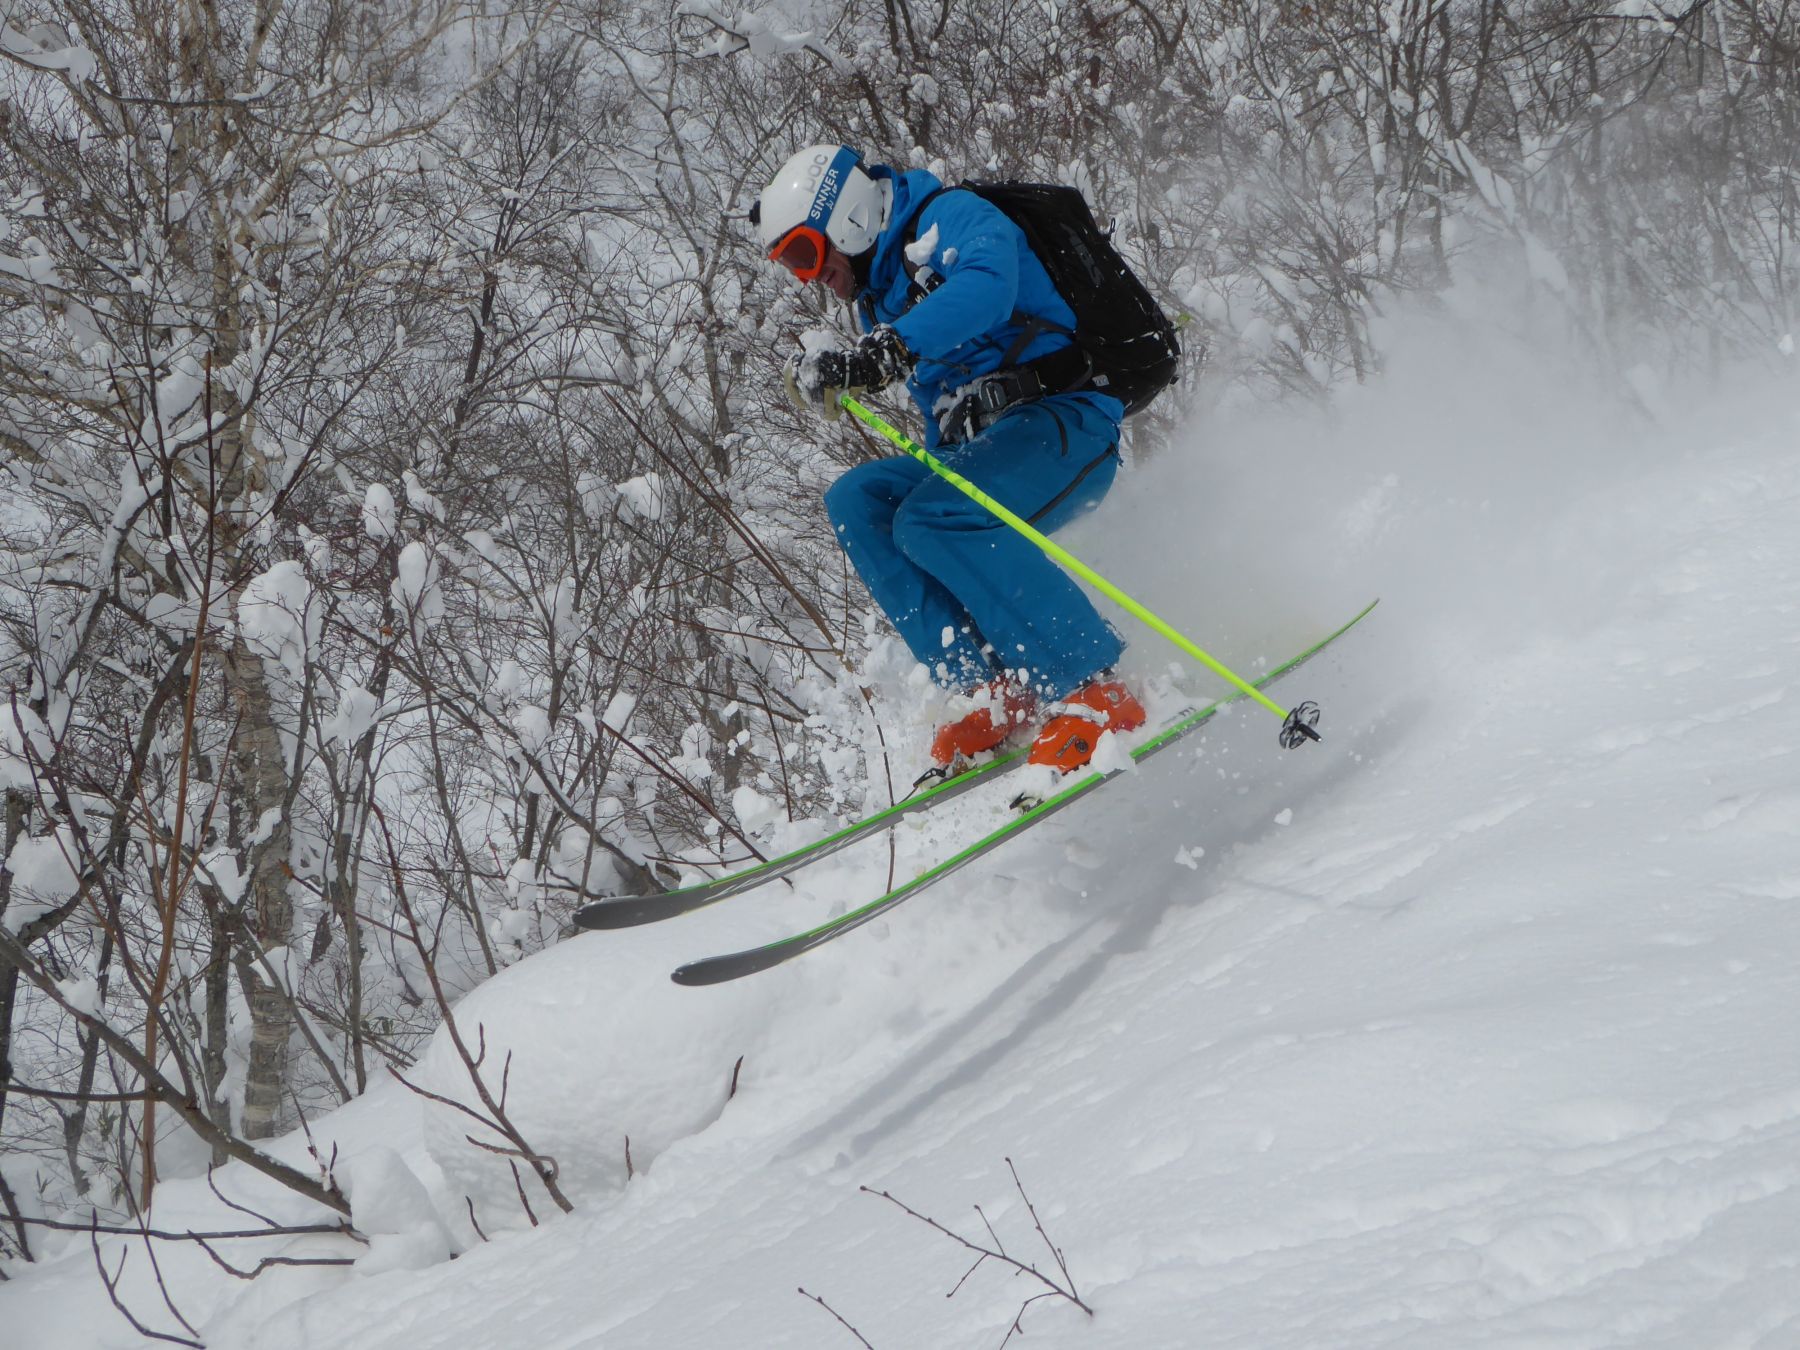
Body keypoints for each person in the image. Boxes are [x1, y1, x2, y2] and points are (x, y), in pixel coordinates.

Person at [755, 144, 1145, 775]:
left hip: (1064, 424)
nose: (810, 275)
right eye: (792, 265)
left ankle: (1096, 687)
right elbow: (943, 408)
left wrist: (885, 352)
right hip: (988, 450)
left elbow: (988, 288)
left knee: (932, 518)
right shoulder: (881, 299)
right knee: (860, 501)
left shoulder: (952, 217)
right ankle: (997, 687)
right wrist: (870, 356)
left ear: (846, 217)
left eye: (807, 253)